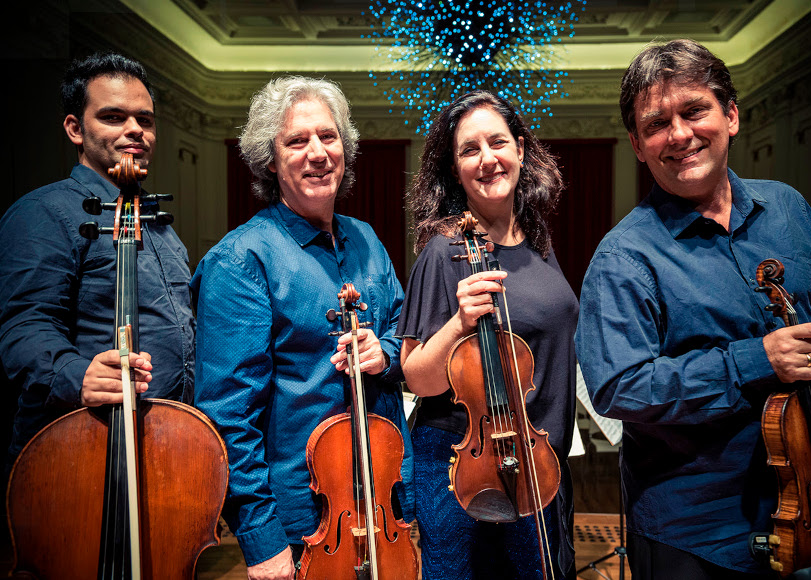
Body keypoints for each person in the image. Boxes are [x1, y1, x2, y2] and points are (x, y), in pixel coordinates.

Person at [575, 38, 811, 579]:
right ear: (637, 145)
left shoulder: (790, 210)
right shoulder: (623, 257)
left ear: (730, 115)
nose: (679, 134)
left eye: (693, 111)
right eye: (656, 124)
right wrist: (756, 360)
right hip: (695, 534)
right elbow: (619, 388)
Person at [191, 76, 412, 579]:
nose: (318, 153)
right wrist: (261, 539)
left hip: (382, 501)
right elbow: (228, 416)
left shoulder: (367, 240)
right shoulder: (240, 260)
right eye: (297, 140)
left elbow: (404, 330)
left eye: (328, 137)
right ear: (270, 159)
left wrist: (385, 352)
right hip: (303, 520)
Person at [398, 90, 578, 579]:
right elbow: (416, 377)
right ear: (454, 168)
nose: (487, 159)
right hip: (468, 468)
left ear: (519, 148)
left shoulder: (538, 241)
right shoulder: (444, 253)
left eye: (497, 143)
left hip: (539, 460)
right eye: (469, 150)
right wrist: (459, 322)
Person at [0, 52, 194, 473]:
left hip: (165, 448)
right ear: (75, 128)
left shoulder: (158, 224)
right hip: (80, 450)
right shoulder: (44, 212)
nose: (135, 130)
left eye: (145, 120)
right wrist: (77, 374)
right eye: (113, 117)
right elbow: (25, 325)